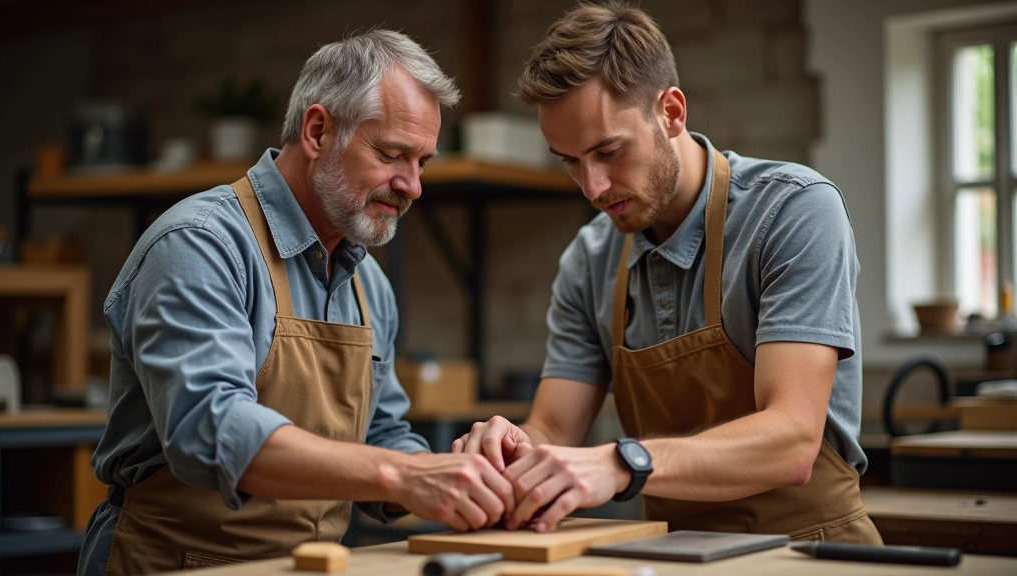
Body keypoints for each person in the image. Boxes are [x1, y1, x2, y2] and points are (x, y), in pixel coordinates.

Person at [79, 30, 514, 576]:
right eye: (392, 154)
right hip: (174, 563)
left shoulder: (367, 283)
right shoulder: (200, 245)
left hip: (306, 566)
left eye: (422, 161)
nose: (413, 186)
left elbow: (381, 435)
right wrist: (403, 476)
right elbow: (210, 430)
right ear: (317, 131)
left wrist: (455, 471)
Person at [453, 2, 881, 544]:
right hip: (674, 552)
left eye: (608, 151)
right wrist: (512, 449)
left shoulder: (793, 213)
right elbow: (555, 429)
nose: (593, 188)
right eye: (568, 160)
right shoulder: (588, 261)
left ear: (672, 112)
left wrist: (620, 462)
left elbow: (791, 440)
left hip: (810, 548)